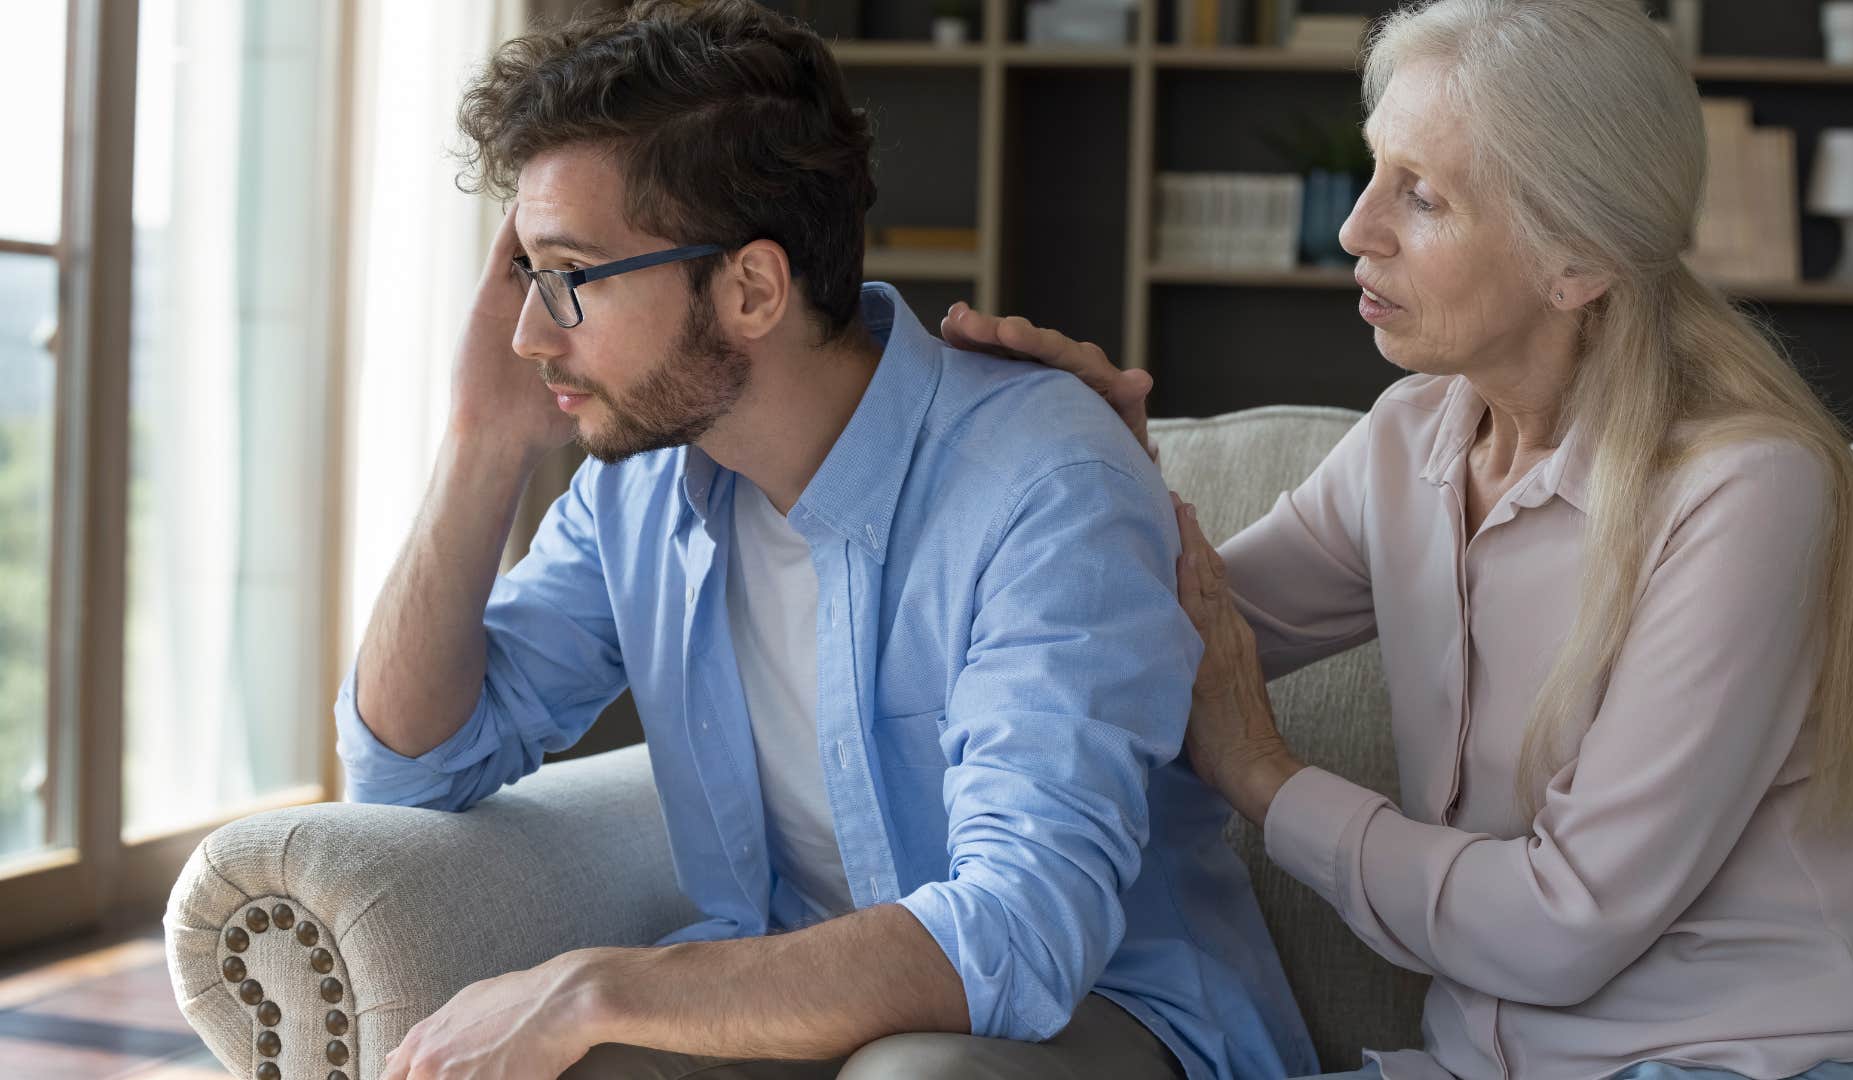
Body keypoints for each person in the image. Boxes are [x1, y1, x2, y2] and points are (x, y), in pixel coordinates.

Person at [940, 1, 1853, 1077]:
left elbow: (1566, 924)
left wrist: (1265, 777)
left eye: (1423, 195)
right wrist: (1094, 468)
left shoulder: (1744, 490)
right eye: (1374, 172)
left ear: (1576, 262)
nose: (1358, 227)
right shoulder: (1409, 443)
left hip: (1746, 1062)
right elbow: (1160, 636)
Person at [339, 2, 1315, 1078]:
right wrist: (482, 442)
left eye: (568, 278)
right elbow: (409, 768)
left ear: (751, 288)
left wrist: (595, 984)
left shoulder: (1047, 484)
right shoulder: (648, 490)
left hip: (1103, 1017)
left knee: (915, 1076)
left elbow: (1022, 937)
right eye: (528, 277)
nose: (530, 334)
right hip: (796, 997)